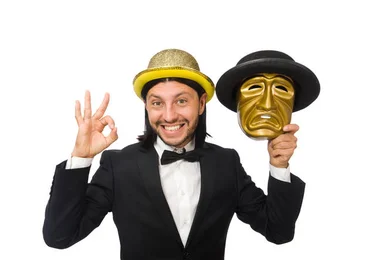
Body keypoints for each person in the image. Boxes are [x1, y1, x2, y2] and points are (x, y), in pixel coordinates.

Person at [42, 48, 306, 260]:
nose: (169, 116)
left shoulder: (226, 163)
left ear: (201, 104)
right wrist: (80, 157)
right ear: (146, 106)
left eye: (181, 101)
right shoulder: (118, 165)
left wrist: (279, 166)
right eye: (157, 103)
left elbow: (278, 232)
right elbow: (60, 237)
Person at [215, 50, 320, 140]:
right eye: (254, 87)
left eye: (281, 88)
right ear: (238, 98)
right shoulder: (225, 158)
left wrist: (279, 163)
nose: (267, 105)